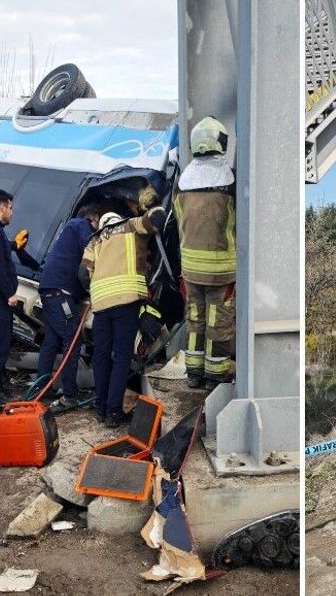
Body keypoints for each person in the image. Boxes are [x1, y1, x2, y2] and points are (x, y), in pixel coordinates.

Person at [81, 206, 166, 426]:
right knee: (121, 358)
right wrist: (155, 206)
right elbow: (152, 221)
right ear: (118, 219)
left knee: (100, 358)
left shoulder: (94, 241)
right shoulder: (129, 226)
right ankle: (114, 413)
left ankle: (101, 409)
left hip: (101, 307)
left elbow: (82, 275)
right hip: (125, 303)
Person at [174, 116, 237, 390]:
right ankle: (215, 376)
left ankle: (193, 375)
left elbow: (179, 224)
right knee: (217, 323)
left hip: (190, 269)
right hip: (221, 271)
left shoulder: (183, 183)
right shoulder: (228, 183)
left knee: (195, 320)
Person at [36, 205, 101, 412]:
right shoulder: (80, 224)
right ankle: (70, 393)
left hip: (52, 290)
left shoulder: (68, 233)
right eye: (98, 223)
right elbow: (91, 246)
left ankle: (42, 389)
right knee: (73, 340)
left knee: (52, 341)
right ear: (92, 218)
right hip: (59, 293)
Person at [0, 191, 18, 402]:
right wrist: (10, 293)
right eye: (10, 208)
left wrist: (14, 246)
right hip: (2, 301)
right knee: (2, 345)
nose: (12, 213)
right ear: (2, 207)